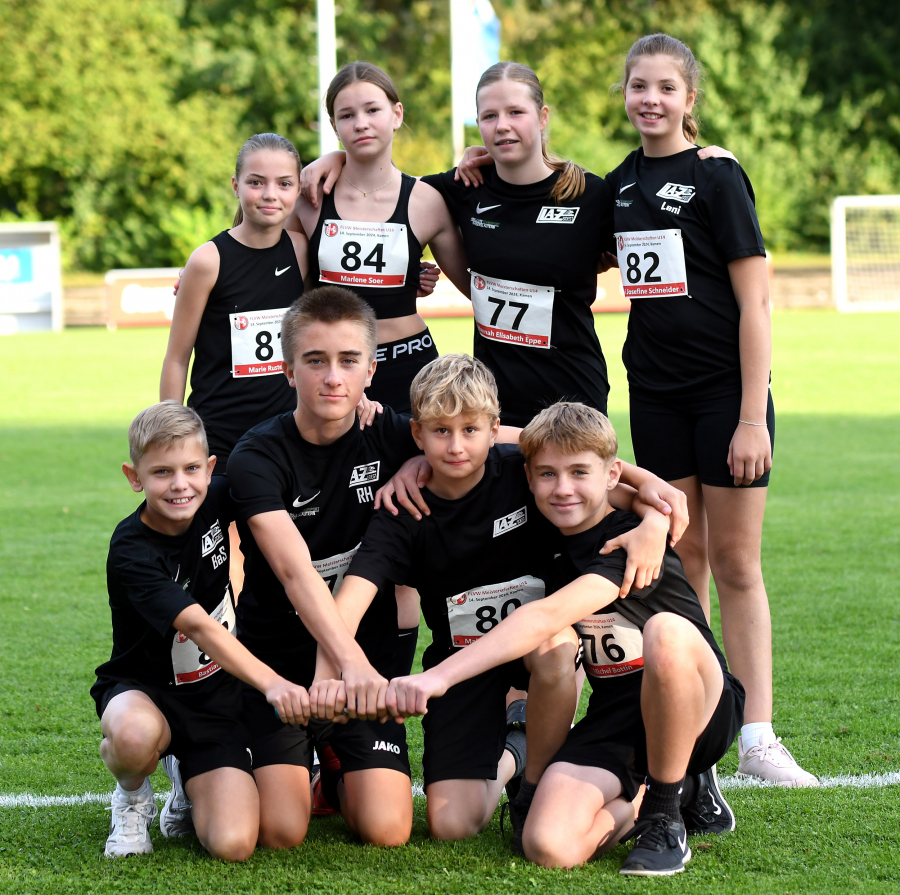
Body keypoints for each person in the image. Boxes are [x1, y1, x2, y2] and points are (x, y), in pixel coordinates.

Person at [313, 356, 685, 844]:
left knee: (551, 643)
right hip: (461, 658)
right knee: (452, 826)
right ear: (417, 435)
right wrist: (327, 676)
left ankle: (537, 787)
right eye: (441, 431)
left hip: (541, 652)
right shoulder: (403, 509)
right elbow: (349, 602)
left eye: (470, 430)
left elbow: (602, 490)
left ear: (494, 430)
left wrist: (653, 515)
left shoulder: (526, 474)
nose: (456, 445)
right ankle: (517, 749)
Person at [385, 402, 745, 876]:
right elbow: (487, 440)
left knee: (666, 633)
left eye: (579, 472)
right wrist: (422, 462)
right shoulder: (543, 526)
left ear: (611, 474)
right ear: (529, 478)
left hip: (701, 707)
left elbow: (546, 615)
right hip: (619, 716)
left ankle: (666, 813)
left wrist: (436, 679)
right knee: (546, 844)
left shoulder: (630, 538)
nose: (564, 488)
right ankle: (659, 794)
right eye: (548, 475)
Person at [224, 288, 516, 847]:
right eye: (315, 361)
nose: (332, 377)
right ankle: (221, 763)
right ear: (287, 371)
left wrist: (633, 478)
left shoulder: (395, 433)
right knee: (281, 832)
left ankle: (333, 760)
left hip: (369, 661)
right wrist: (346, 665)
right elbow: (295, 573)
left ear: (370, 370)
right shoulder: (256, 457)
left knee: (387, 830)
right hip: (284, 665)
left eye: (347, 361)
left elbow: (490, 434)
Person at [602, 33, 815, 785]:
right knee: (680, 565)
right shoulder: (618, 185)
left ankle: (757, 732)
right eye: (637, 86)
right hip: (654, 397)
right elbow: (553, 234)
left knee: (734, 562)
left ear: (690, 98)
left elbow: (755, 300)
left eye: (665, 87)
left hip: (727, 397)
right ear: (624, 95)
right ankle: (698, 724)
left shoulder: (718, 176)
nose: (649, 99)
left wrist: (753, 412)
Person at [302, 62, 735, 427]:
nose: (502, 125)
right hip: (490, 397)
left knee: (573, 516)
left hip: (573, 387)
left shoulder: (593, 194)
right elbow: (387, 186)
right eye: (489, 116)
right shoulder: (462, 188)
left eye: (516, 112)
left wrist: (702, 166)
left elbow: (661, 232)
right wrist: (336, 158)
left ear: (542, 116)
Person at [287, 62, 469, 674]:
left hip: (409, 370)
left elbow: (481, 279)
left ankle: (392, 681)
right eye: (346, 114)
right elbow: (263, 258)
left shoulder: (427, 200)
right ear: (332, 125)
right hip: (339, 377)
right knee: (341, 519)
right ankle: (330, 669)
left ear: (397, 114)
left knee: (409, 517)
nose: (360, 122)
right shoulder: (312, 197)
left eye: (372, 109)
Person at [91, 401, 311, 861]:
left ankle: (185, 774)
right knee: (133, 736)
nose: (180, 485)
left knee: (233, 844)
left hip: (214, 701)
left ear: (210, 468)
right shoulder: (131, 548)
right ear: (135, 478)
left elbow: (286, 474)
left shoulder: (216, 496)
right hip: (145, 691)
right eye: (162, 472)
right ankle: (131, 796)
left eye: (192, 468)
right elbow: (197, 627)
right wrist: (272, 683)